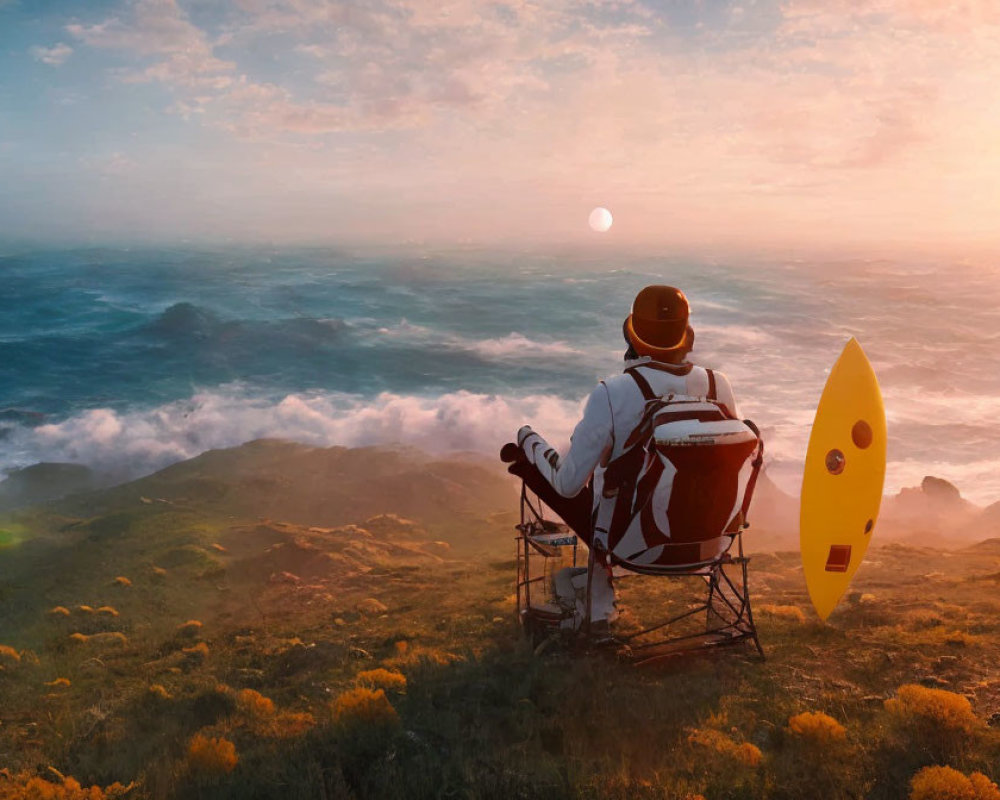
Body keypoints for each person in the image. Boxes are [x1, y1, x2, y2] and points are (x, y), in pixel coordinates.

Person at [501, 285, 741, 559]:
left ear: (631, 336)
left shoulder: (613, 394)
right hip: (712, 544)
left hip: (632, 548)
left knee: (549, 472)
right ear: (688, 336)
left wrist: (529, 440)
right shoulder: (717, 386)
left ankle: (599, 595)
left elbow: (568, 485)